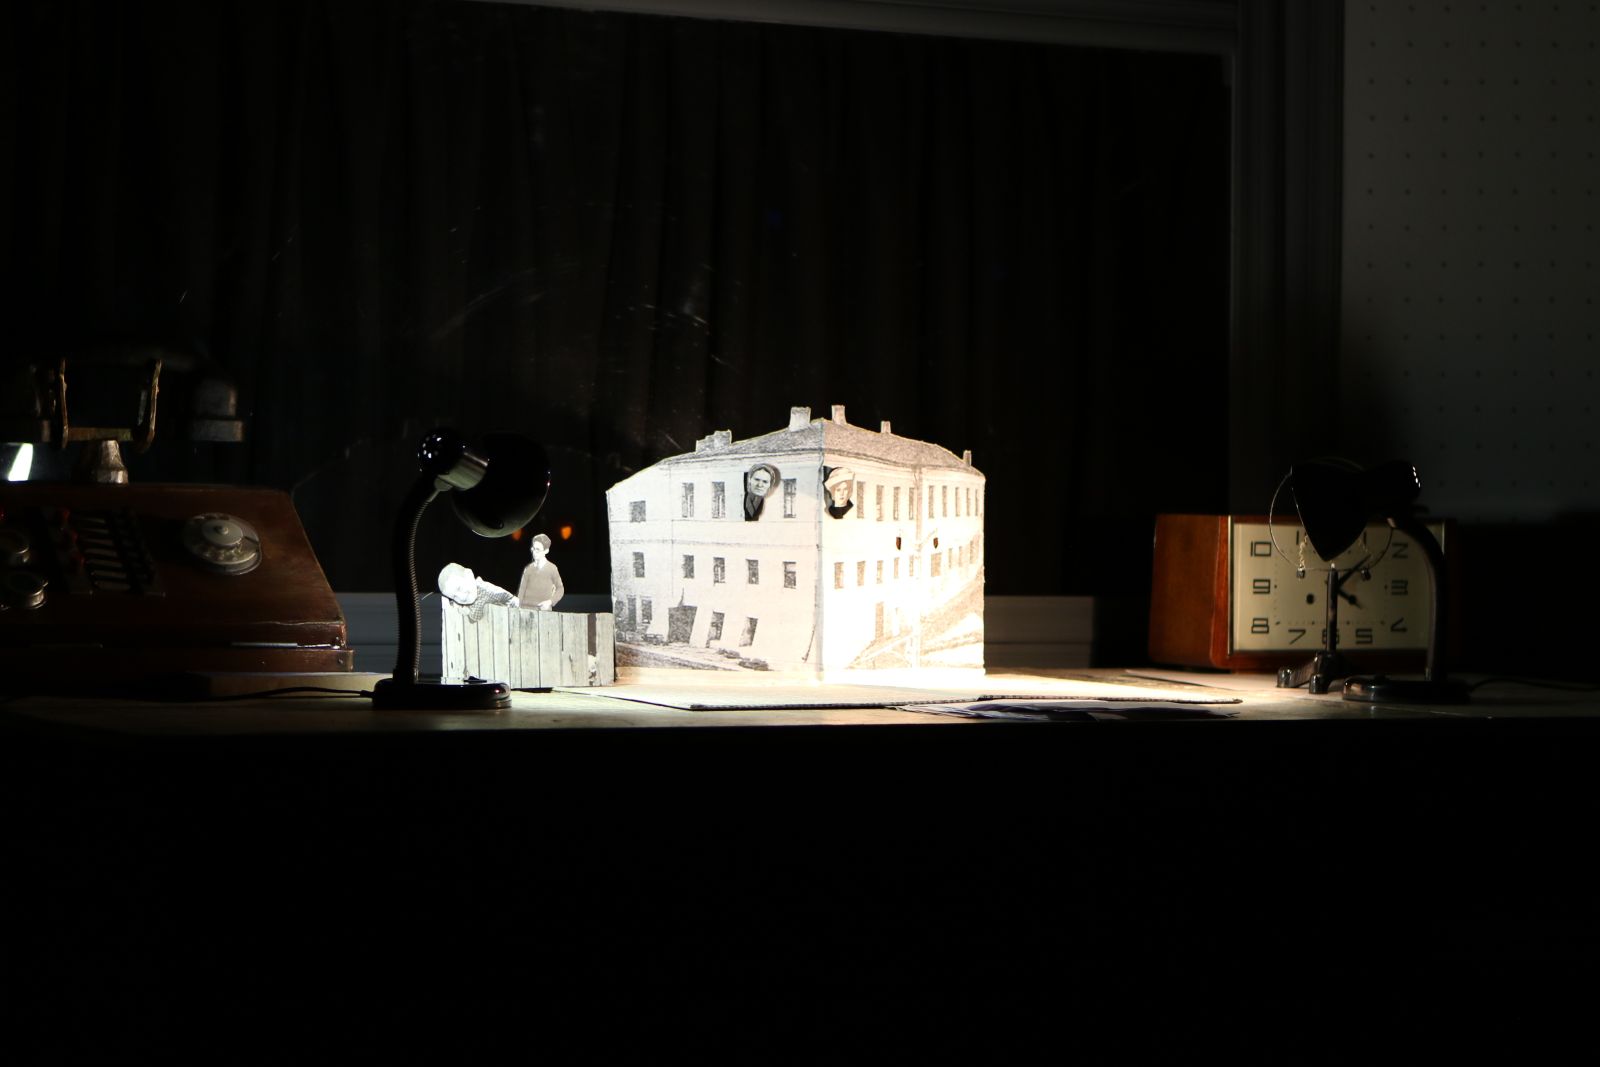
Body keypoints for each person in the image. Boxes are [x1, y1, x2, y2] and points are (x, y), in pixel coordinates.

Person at [438, 561, 518, 622]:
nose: (461, 597)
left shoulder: (486, 591)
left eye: (459, 588)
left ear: (469, 575)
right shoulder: (470, 596)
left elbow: (476, 617)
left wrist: (466, 612)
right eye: (454, 597)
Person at [516, 532, 565, 611]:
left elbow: (560, 589)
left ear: (546, 551)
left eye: (538, 550)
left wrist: (550, 602)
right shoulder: (528, 569)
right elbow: (521, 593)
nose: (534, 552)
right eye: (533, 548)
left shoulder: (552, 568)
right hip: (525, 610)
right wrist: (518, 608)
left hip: (543, 612)